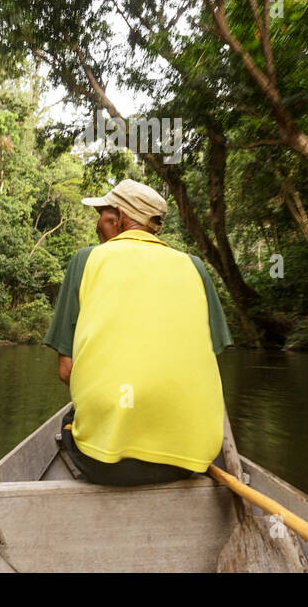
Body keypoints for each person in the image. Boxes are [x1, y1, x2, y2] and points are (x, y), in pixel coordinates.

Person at [44, 179, 232, 486]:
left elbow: (67, 371)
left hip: (107, 463)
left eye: (102, 215)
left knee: (70, 421)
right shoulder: (195, 266)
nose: (97, 225)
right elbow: (207, 358)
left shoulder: (86, 259)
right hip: (191, 460)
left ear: (118, 216)